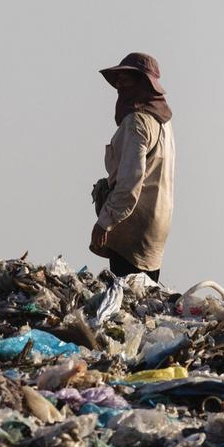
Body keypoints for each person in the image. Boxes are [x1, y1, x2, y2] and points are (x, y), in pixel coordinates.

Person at [90, 52, 177, 282]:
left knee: (125, 302)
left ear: (143, 83)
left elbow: (130, 183)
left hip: (132, 230)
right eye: (117, 79)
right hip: (156, 230)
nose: (119, 84)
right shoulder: (164, 125)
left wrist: (104, 222)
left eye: (125, 78)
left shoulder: (137, 122)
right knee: (144, 303)